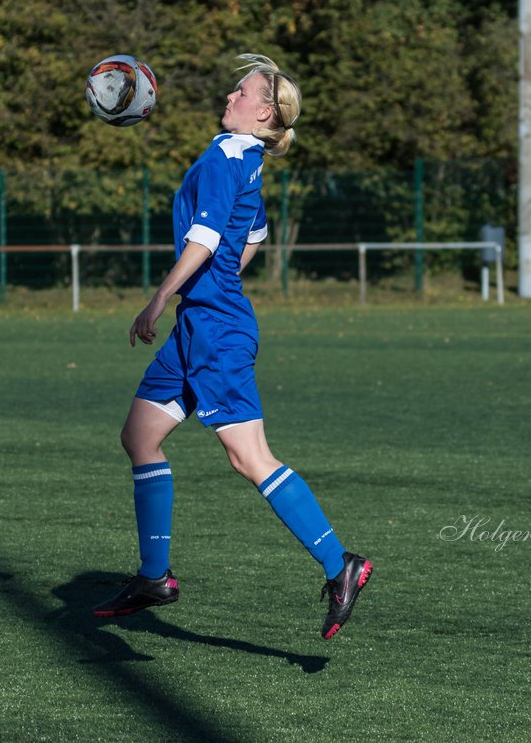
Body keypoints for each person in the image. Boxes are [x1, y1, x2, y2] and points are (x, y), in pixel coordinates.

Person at [93, 55, 372, 639]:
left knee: (249, 457)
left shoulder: (227, 157)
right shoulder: (247, 158)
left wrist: (161, 297)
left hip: (215, 330)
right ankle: (153, 578)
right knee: (139, 438)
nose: (230, 93)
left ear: (263, 110)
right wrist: (209, 286)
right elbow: (253, 238)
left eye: (241, 90)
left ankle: (339, 563)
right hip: (203, 324)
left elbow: (207, 237)